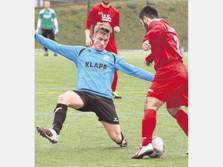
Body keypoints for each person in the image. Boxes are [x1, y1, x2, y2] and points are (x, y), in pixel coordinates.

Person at [35, 23, 154, 148]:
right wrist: (35, 36)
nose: (102, 43)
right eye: (100, 39)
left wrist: (156, 78)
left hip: (104, 100)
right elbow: (56, 46)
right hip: (84, 96)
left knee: (116, 137)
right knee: (64, 97)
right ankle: (54, 132)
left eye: (105, 40)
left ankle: (122, 140)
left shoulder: (112, 58)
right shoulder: (80, 52)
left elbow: (133, 70)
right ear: (93, 37)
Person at [132, 6, 188, 159]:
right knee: (174, 109)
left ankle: (146, 144)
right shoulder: (168, 26)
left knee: (150, 105)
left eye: (143, 23)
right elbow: (166, 44)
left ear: (145, 19)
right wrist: (151, 57)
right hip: (180, 70)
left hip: (168, 72)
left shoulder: (155, 24)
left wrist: (146, 40)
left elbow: (155, 31)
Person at [85, 0, 122, 99]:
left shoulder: (115, 12)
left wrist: (117, 28)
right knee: (94, 65)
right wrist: (88, 38)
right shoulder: (95, 9)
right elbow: (88, 25)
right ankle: (93, 89)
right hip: (97, 43)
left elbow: (117, 25)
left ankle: (112, 90)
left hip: (110, 44)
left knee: (114, 66)